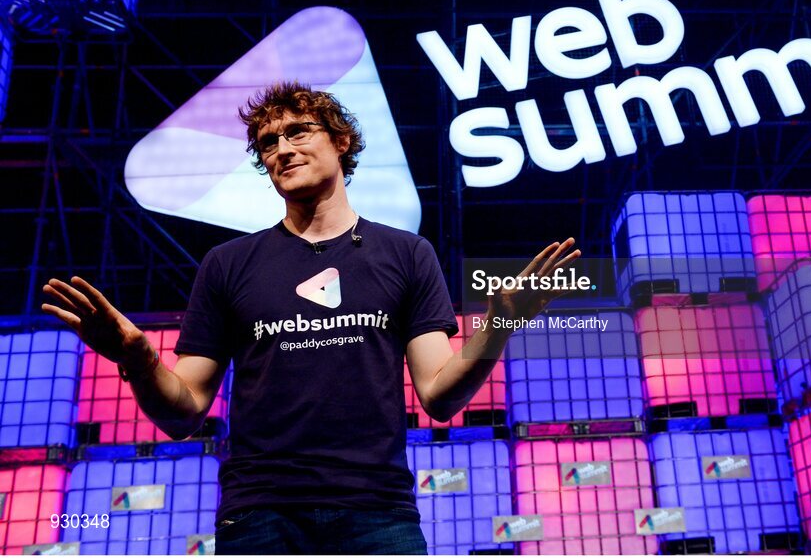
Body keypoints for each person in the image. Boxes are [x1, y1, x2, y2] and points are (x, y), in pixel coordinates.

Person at [42, 81, 579, 555]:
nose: (281, 149)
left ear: (340, 141)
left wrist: (499, 327)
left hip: (379, 514)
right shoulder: (227, 264)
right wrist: (138, 361)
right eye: (267, 143)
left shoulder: (407, 254)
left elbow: (439, 395)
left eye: (298, 131)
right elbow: (184, 412)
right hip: (260, 517)